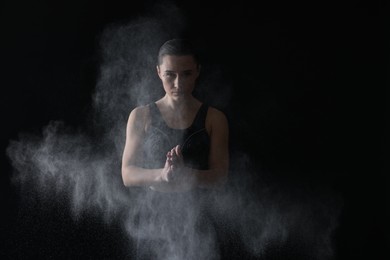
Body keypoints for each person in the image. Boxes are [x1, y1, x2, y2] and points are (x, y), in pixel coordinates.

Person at [121, 38, 229, 193]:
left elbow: (220, 177)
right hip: (150, 213)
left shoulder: (215, 119)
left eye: (186, 74)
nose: (178, 83)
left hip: (201, 212)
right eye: (170, 75)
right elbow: (127, 174)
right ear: (159, 72)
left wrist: (187, 175)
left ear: (197, 71)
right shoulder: (141, 115)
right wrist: (162, 175)